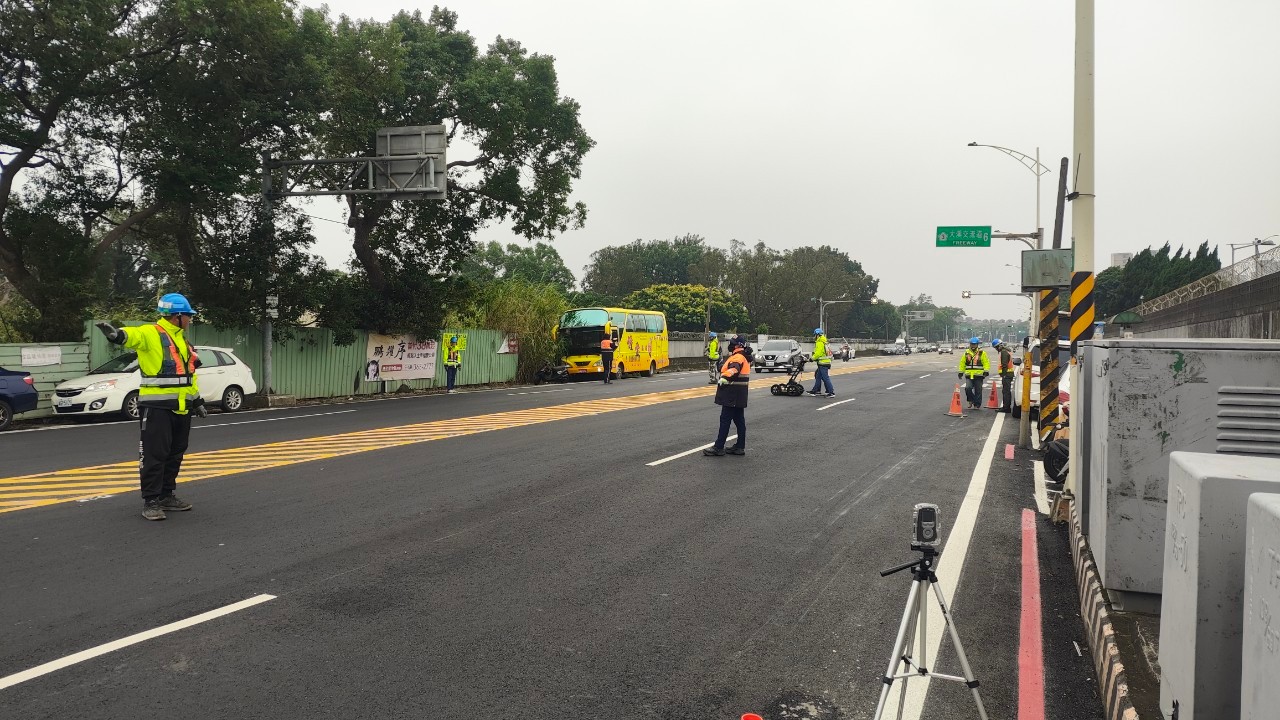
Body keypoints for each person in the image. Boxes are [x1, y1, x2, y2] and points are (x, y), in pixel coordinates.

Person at [95, 293, 207, 521]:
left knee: (175, 453)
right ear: (177, 316)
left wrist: (197, 401)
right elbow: (131, 336)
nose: (190, 320)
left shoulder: (183, 341)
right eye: (188, 316)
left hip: (181, 408)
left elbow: (188, 376)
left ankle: (166, 495)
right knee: (155, 454)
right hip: (156, 408)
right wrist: (117, 336)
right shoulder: (151, 333)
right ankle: (151, 501)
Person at [704, 336, 751, 457]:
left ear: (736, 346)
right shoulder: (743, 356)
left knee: (725, 420)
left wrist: (725, 378)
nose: (729, 345)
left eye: (732, 344)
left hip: (732, 394)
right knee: (739, 420)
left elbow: (734, 369)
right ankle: (740, 446)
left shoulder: (738, 357)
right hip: (739, 394)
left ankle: (718, 447)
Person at [957, 337, 990, 410]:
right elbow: (962, 363)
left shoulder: (982, 353)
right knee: (968, 388)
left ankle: (977, 404)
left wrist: (986, 371)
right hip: (969, 374)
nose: (973, 346)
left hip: (979, 375)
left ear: (977, 345)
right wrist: (960, 372)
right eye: (972, 344)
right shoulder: (966, 353)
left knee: (978, 390)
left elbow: (986, 362)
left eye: (974, 344)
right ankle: (970, 400)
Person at [806, 327, 835, 398]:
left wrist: (812, 359)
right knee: (818, 376)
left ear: (817, 335)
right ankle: (815, 390)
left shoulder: (819, 342)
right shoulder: (825, 342)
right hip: (825, 362)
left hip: (823, 363)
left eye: (815, 335)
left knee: (825, 378)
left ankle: (831, 392)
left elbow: (818, 353)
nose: (814, 337)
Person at [994, 339, 1015, 412]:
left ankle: (1006, 408)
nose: (996, 349)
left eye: (996, 347)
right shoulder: (1006, 351)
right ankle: (1006, 407)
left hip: (1006, 375)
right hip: (1008, 375)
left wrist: (1004, 375)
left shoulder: (1004, 352)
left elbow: (1004, 365)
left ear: (999, 346)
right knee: (1006, 391)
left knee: (1006, 392)